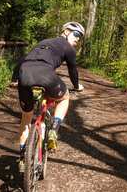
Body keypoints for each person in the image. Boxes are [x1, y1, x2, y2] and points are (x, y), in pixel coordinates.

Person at [15, 21, 85, 161]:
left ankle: (23, 155)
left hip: (25, 74)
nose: (78, 39)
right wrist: (76, 86)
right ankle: (54, 128)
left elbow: (23, 60)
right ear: (66, 32)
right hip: (45, 75)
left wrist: (14, 79)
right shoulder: (68, 48)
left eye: (80, 37)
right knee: (64, 97)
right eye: (76, 34)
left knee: (26, 117)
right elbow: (73, 71)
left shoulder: (43, 42)